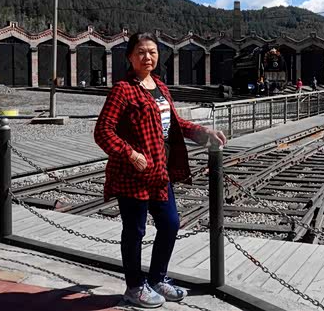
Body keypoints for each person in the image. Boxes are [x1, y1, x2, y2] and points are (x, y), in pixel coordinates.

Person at [94, 32, 227, 309]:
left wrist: (203, 132)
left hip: (158, 173)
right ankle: (134, 287)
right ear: (130, 57)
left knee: (170, 224)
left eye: (152, 52)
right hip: (132, 175)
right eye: (141, 52)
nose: (147, 57)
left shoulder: (160, 87)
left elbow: (175, 124)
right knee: (135, 231)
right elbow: (103, 131)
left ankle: (156, 279)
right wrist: (130, 153)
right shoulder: (122, 90)